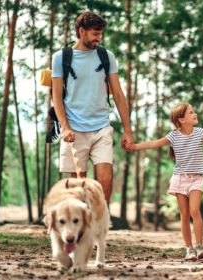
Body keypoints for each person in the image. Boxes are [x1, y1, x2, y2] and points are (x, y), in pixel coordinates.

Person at [129, 103, 203, 261]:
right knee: (185, 214)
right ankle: (189, 249)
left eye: (194, 111)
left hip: (196, 178)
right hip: (180, 179)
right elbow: (153, 143)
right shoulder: (173, 136)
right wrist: (135, 146)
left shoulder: (201, 133)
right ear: (181, 120)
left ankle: (200, 246)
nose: (195, 114)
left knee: (195, 210)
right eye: (191, 113)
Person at [52, 11, 134, 202]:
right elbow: (56, 96)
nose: (99, 38)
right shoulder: (60, 58)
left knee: (105, 181)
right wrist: (64, 127)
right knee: (77, 187)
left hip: (101, 127)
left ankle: (98, 223)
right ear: (82, 31)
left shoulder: (107, 56)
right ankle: (83, 226)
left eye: (100, 34)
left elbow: (119, 96)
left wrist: (127, 131)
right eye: (95, 33)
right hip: (73, 130)